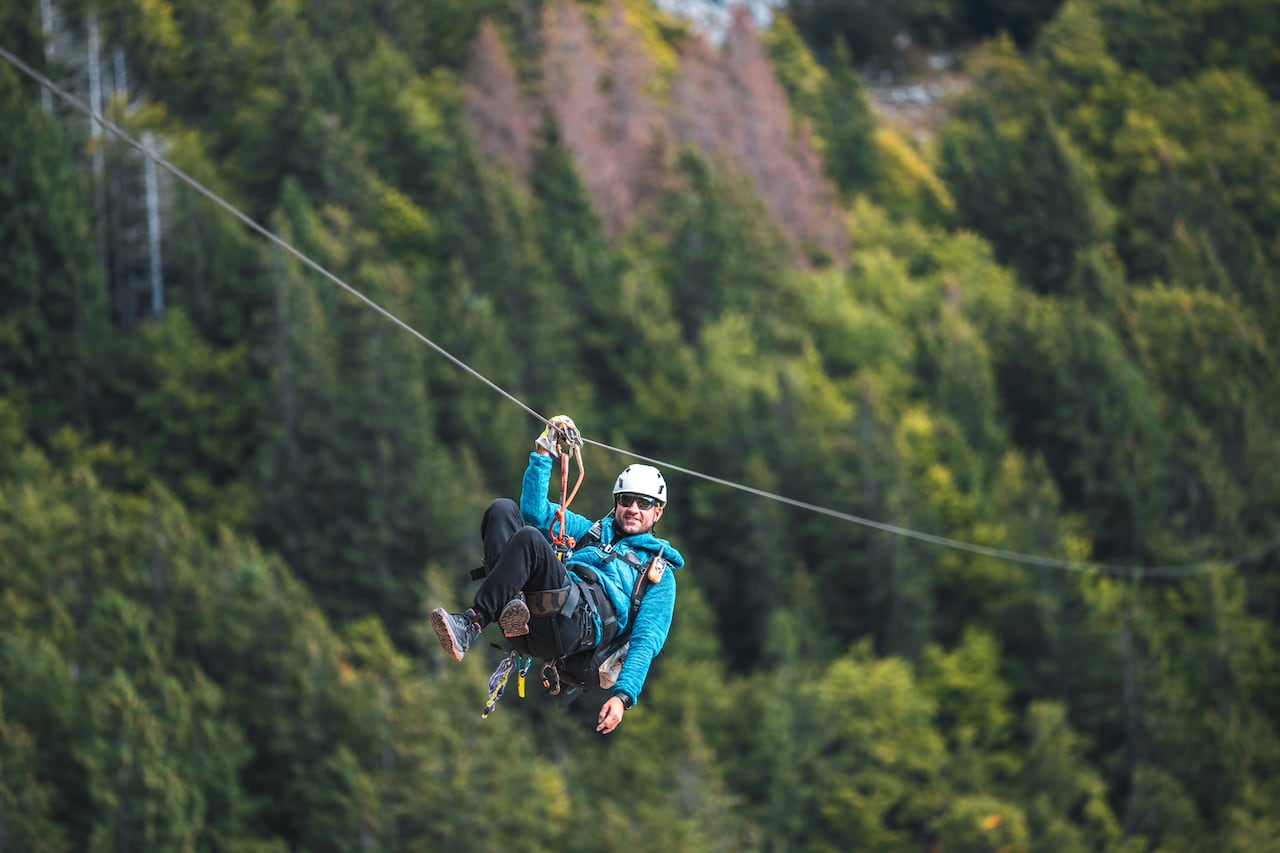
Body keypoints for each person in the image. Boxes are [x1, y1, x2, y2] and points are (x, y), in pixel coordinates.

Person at [429, 415, 685, 735]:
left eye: (644, 503)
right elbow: (534, 512)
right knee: (502, 510)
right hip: (540, 611)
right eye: (626, 500)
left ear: (657, 511)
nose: (633, 508)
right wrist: (544, 450)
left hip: (576, 625)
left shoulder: (657, 574)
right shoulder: (591, 533)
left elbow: (646, 641)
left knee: (530, 540)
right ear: (616, 503)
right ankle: (511, 608)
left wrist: (623, 696)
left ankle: (472, 623)